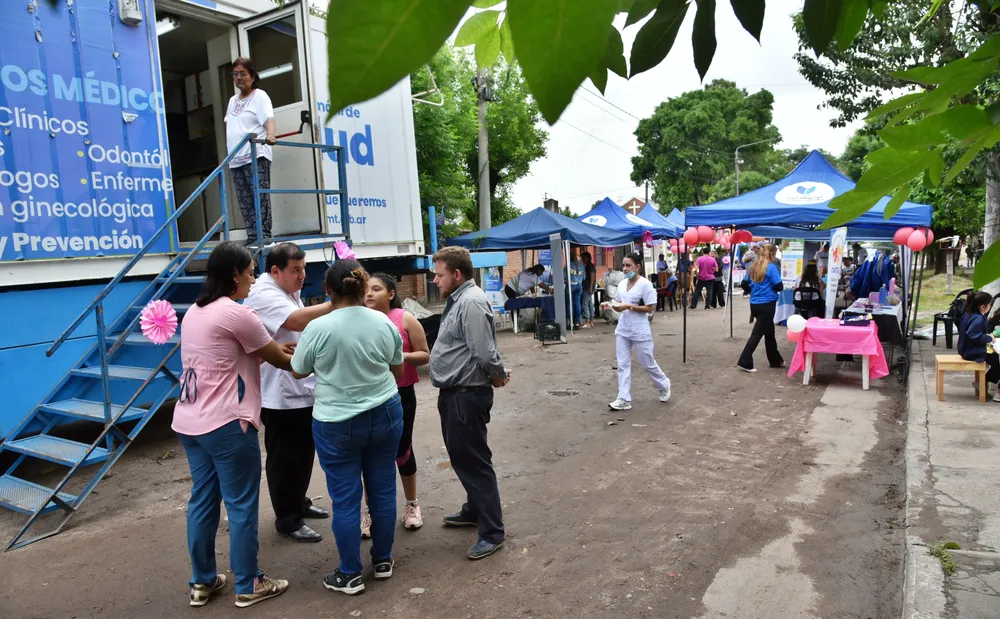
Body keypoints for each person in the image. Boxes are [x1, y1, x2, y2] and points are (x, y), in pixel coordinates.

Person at [172, 241, 295, 608]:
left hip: (190, 421)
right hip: (227, 423)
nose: (254, 278)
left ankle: (202, 581)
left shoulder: (196, 311)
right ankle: (248, 584)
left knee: (203, 500)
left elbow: (228, 357)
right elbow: (281, 359)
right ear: (234, 275)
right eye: (250, 271)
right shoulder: (238, 314)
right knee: (241, 505)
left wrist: (271, 353)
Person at [292, 260, 405, 596]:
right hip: (385, 411)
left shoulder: (318, 327)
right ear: (361, 287)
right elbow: (396, 370)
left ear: (327, 290)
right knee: (383, 488)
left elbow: (299, 370)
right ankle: (383, 560)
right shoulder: (383, 322)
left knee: (345, 499)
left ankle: (350, 573)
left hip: (336, 422)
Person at [245, 243, 334, 544]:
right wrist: (340, 302)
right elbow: (295, 321)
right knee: (285, 457)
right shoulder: (263, 293)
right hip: (279, 392)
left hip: (300, 386)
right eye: (296, 270)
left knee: (304, 452)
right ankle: (287, 519)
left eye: (304, 268)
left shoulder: (286, 289)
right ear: (275, 271)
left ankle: (299, 502)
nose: (302, 275)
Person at [429, 246, 509, 560]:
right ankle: (475, 510)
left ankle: (492, 532)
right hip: (456, 394)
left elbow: (484, 351)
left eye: (439, 275)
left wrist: (498, 374)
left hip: (466, 395)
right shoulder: (461, 299)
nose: (435, 281)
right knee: (464, 457)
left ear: (456, 274)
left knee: (474, 462)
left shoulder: (472, 301)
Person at [363, 273, 431, 532]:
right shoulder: (360, 319)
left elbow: (425, 355)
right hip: (369, 396)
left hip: (401, 394)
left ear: (391, 294)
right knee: (370, 455)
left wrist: (397, 355)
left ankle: (412, 504)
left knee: (403, 450)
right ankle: (369, 512)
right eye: (366, 289)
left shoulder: (405, 318)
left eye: (376, 289)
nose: (369, 294)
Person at [608, 252, 671, 411]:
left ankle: (663, 384)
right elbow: (619, 302)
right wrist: (612, 305)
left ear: (637, 267)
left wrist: (629, 306)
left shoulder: (645, 285)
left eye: (628, 265)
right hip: (623, 328)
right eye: (623, 265)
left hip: (640, 329)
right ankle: (623, 398)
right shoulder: (622, 284)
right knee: (622, 364)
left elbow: (651, 307)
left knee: (647, 363)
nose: (625, 268)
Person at [226, 57, 277, 248]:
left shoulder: (260, 96)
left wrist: (271, 134)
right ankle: (253, 236)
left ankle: (264, 236)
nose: (238, 78)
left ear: (253, 76)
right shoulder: (232, 101)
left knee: (259, 195)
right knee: (245, 199)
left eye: (243, 74)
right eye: (235, 74)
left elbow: (268, 119)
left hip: (256, 155)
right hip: (236, 159)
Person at [736, 243, 785, 373]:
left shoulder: (753, 266)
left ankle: (775, 360)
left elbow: (743, 283)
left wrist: (753, 291)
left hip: (755, 304)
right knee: (757, 334)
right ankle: (744, 360)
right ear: (772, 254)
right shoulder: (771, 267)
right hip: (768, 304)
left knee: (769, 332)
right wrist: (768, 289)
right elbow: (779, 286)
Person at [959, 291, 1000, 401]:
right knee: (996, 359)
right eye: (990, 305)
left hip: (965, 349)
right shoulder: (978, 318)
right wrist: (989, 338)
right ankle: (983, 383)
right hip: (972, 351)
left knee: (995, 357)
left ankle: (983, 383)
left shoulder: (968, 314)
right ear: (983, 306)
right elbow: (974, 335)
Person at [581, 251, 597, 328]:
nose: (582, 259)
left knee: (585, 303)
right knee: (590, 303)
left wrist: (590, 286)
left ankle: (587, 321)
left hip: (587, 287)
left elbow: (592, 275)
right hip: (589, 287)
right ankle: (591, 320)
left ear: (588, 258)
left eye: (584, 258)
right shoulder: (589, 265)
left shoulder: (589, 266)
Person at [569, 251, 584, 329]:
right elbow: (584, 277)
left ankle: (570, 322)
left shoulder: (568, 265)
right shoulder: (582, 266)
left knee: (570, 304)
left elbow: (565, 276)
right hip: (579, 285)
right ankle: (577, 322)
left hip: (570, 285)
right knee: (577, 304)